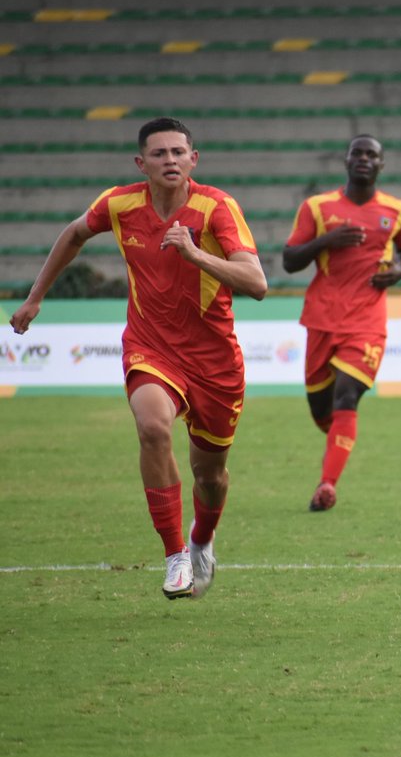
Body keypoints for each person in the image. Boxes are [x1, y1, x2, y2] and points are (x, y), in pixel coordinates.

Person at [8, 116, 267, 600]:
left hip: (214, 362)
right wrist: (35, 296)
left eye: (178, 152)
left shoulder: (217, 208)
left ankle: (202, 540)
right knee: (152, 428)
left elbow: (257, 284)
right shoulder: (119, 202)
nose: (170, 160)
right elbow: (74, 234)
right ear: (140, 163)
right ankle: (175, 557)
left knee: (209, 475)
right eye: (159, 153)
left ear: (194, 160)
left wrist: (196, 255)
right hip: (151, 346)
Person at [282, 135, 401, 511]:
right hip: (322, 318)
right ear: (346, 160)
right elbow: (290, 259)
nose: (363, 159)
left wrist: (400, 271)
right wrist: (327, 240)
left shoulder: (397, 209)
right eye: (357, 152)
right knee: (321, 410)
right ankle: (341, 439)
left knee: (347, 395)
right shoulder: (317, 207)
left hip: (367, 321)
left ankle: (327, 485)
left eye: (371, 154)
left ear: (381, 165)